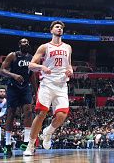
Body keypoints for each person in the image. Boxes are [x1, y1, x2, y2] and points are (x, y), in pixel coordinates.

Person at [24, 20, 73, 156]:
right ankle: (31, 145)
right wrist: (41, 67)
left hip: (62, 85)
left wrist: (70, 70)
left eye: (61, 27)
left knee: (62, 115)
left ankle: (48, 132)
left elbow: (68, 64)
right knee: (41, 114)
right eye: (57, 27)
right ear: (51, 30)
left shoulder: (68, 47)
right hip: (47, 83)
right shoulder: (44, 47)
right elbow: (31, 65)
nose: (59, 29)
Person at [0, 38, 37, 157]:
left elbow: (32, 76)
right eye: (23, 42)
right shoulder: (12, 55)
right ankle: (7, 144)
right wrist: (14, 75)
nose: (26, 43)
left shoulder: (31, 58)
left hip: (25, 88)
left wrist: (36, 92)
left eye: (27, 42)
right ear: (19, 45)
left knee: (29, 111)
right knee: (11, 114)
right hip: (13, 87)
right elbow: (2, 70)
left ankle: (26, 142)